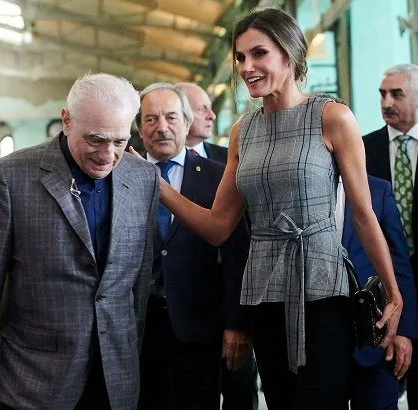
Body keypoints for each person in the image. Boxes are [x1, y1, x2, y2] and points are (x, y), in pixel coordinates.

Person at [134, 8, 403, 409]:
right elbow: (218, 226)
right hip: (262, 293)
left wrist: (393, 293)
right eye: (240, 57)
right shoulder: (245, 129)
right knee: (279, 402)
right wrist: (153, 182)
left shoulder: (332, 117)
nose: (247, 67)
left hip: (323, 289)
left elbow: (363, 215)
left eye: (258, 53)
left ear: (290, 54)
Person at [0, 73, 159, 409]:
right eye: (95, 139)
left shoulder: (144, 177)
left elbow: (139, 280)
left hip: (115, 376)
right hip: (32, 376)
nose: (108, 154)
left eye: (119, 141)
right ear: (66, 121)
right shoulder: (9, 177)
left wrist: (128, 350)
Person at [135, 82, 252, 409]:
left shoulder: (218, 178)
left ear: (188, 124)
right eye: (150, 119)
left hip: (199, 328)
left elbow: (235, 257)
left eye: (171, 117)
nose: (161, 128)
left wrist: (236, 323)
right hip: (137, 331)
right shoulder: (121, 176)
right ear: (138, 129)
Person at [177, 81, 259, 410]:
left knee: (240, 394)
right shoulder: (140, 165)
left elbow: (239, 248)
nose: (211, 114)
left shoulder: (230, 160)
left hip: (227, 311)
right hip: (180, 322)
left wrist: (237, 320)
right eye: (201, 108)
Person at [336, 175, 418, 409]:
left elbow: (400, 266)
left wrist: (403, 331)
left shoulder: (379, 190)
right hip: (322, 346)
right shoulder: (305, 189)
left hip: (379, 340)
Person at [363, 63, 418, 408]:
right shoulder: (360, 150)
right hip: (383, 292)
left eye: (396, 94)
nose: (386, 102)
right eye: (382, 94)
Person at [176, 82, 228, 164]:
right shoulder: (151, 159)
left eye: (210, 108)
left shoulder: (228, 159)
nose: (212, 116)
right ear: (178, 113)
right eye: (202, 109)